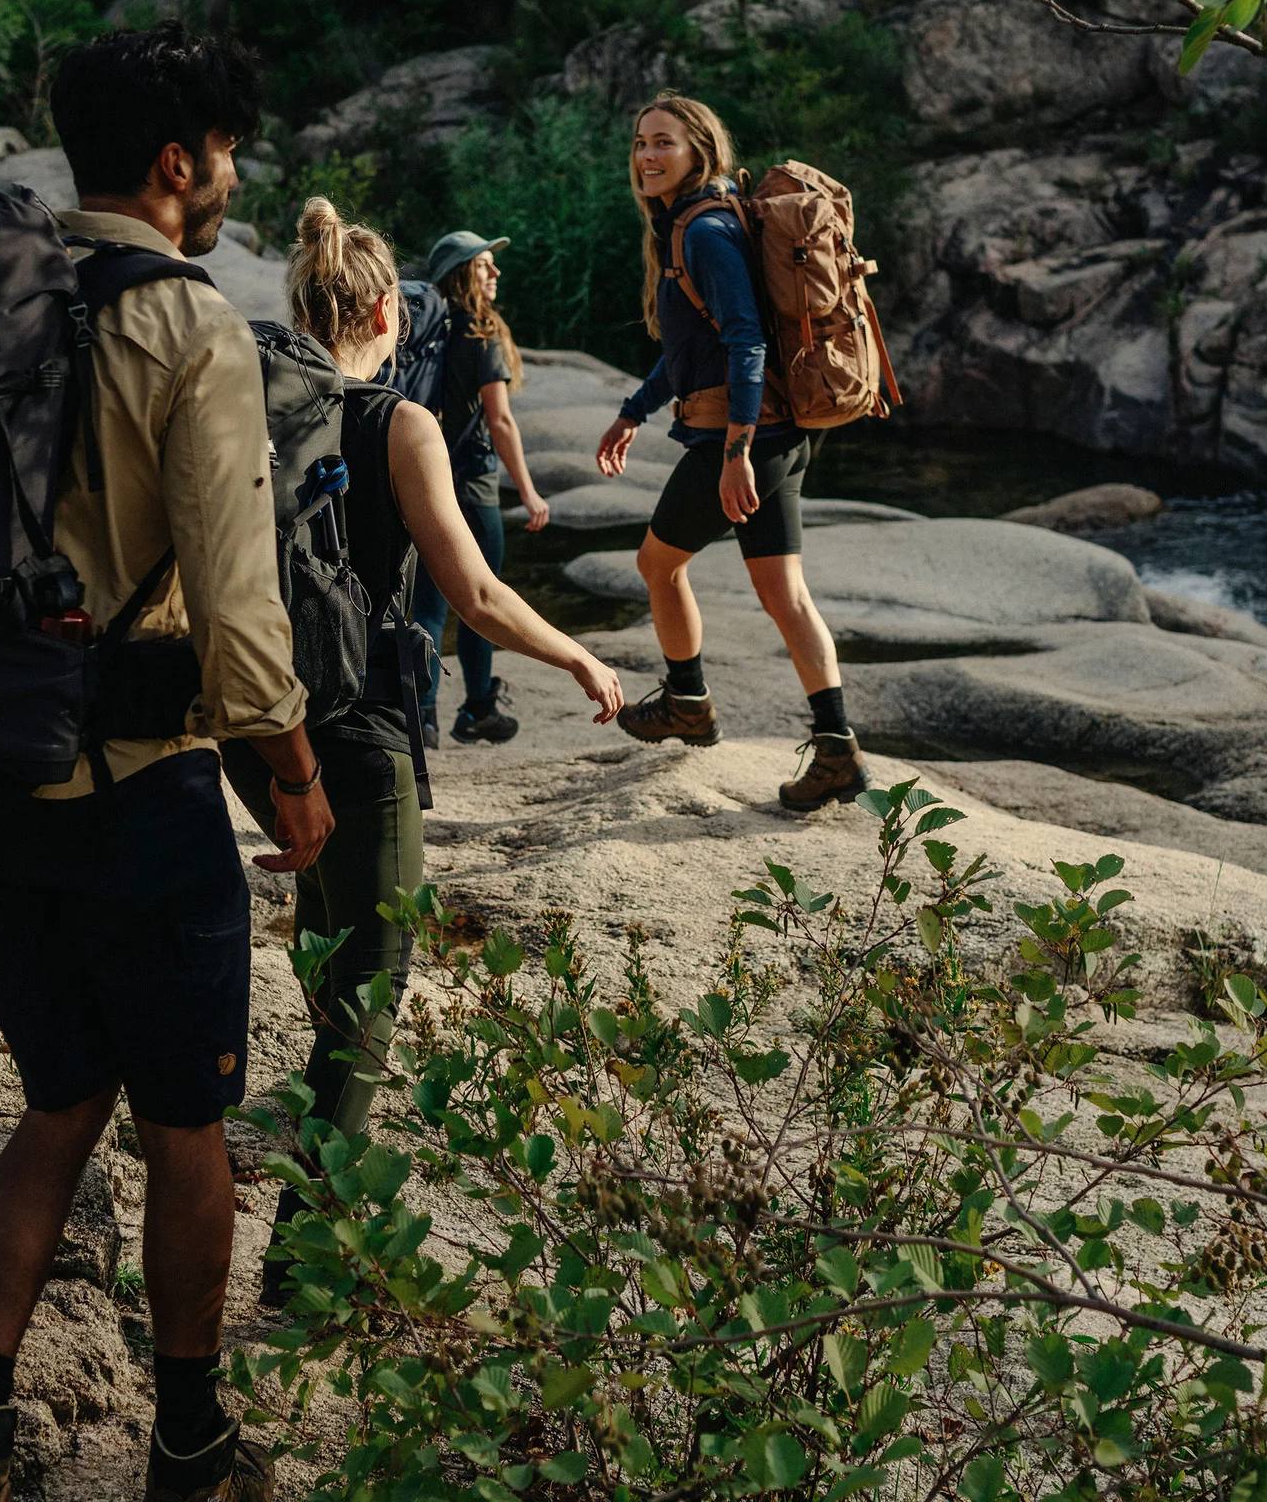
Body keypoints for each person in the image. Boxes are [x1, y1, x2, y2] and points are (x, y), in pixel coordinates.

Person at [0, 26, 331, 1502]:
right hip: (134, 793)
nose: (231, 179)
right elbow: (238, 608)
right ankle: (192, 1444)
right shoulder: (189, 326)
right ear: (175, 161)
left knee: (60, 1101)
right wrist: (292, 773)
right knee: (186, 1123)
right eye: (225, 154)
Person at [226, 196, 622, 1304]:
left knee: (330, 942)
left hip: (259, 729)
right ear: (383, 317)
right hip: (357, 729)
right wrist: (576, 656)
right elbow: (476, 594)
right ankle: (305, 1262)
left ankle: (318, 1158)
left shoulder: (246, 409)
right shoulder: (400, 424)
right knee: (372, 979)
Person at [593, 94, 870, 811]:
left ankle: (688, 701)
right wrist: (633, 411)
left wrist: (736, 453)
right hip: (778, 435)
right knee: (786, 596)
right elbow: (693, 349)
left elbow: (746, 341)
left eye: (664, 142)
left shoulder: (707, 230)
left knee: (657, 565)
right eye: (640, 142)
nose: (647, 155)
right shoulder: (703, 221)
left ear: (701, 151)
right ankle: (837, 750)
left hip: (744, 437)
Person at [409, 229, 552, 746]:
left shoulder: (429, 329)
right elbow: (501, 420)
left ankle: (421, 717)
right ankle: (477, 709)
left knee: (428, 604)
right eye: (485, 265)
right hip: (472, 485)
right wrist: (528, 492)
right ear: (463, 273)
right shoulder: (480, 331)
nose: (496, 272)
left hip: (425, 478)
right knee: (482, 599)